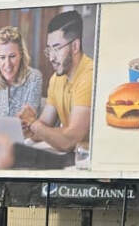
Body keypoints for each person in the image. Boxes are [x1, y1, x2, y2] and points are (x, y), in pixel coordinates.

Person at [21, 9, 94, 155]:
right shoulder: (56, 79)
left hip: (90, 163)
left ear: (75, 46)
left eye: (57, 49)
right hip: (72, 160)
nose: (51, 58)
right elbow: (43, 127)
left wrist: (35, 125)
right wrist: (26, 125)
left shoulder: (90, 75)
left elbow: (69, 141)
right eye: (49, 50)